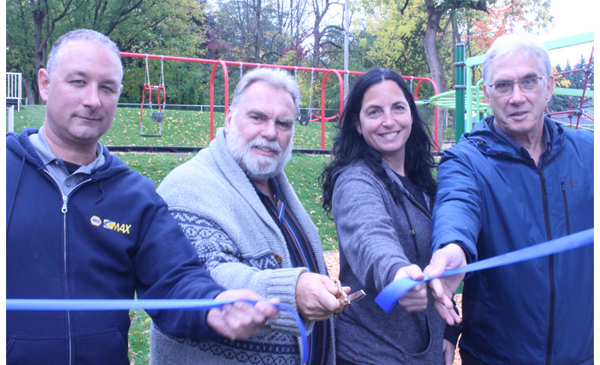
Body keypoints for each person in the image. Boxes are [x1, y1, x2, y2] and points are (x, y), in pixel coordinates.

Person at [6, 29, 280, 365]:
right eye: (78, 82)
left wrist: (213, 306)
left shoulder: (135, 195)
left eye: (106, 88)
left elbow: (175, 279)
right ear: (46, 85)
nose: (93, 100)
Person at [150, 68, 346, 364]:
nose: (270, 132)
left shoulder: (275, 185)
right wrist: (291, 292)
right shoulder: (189, 186)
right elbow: (207, 274)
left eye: (283, 123)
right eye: (257, 117)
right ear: (229, 119)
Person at [426, 33, 594, 365]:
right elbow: (456, 205)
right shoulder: (467, 160)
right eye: (503, 86)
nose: (516, 97)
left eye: (529, 82)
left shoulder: (589, 154)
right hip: (495, 357)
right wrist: (453, 246)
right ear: (488, 94)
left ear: (548, 87)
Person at [320, 68, 458, 365]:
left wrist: (449, 328)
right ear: (357, 123)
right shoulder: (355, 180)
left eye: (398, 108)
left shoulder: (424, 180)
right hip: (369, 354)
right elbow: (369, 236)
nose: (388, 121)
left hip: (428, 353)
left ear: (411, 114)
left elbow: (443, 256)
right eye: (374, 112)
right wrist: (396, 274)